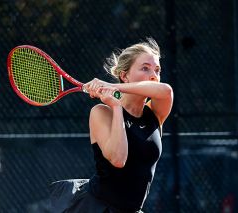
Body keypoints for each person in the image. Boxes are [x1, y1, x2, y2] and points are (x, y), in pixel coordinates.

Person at [48, 37, 173, 213]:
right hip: (97, 207)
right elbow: (118, 159)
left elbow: (166, 90)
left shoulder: (155, 114)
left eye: (157, 70)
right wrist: (116, 106)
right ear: (124, 75)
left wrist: (112, 87)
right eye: (145, 68)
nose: (154, 75)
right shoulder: (101, 113)